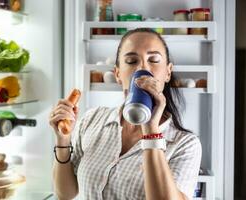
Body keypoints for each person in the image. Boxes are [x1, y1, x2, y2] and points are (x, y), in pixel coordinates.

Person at [49, 28, 202, 200]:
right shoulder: (92, 120)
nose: (142, 67)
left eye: (154, 59)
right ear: (118, 74)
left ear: (167, 72)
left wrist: (151, 131)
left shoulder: (185, 144)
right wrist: (63, 139)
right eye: (131, 61)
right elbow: (65, 194)